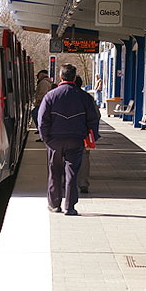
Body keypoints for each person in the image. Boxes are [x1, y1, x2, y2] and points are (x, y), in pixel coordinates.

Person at [39, 64, 100, 216]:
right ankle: (70, 207)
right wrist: (90, 136)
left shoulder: (50, 96)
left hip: (55, 141)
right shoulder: (85, 97)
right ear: (74, 77)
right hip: (76, 140)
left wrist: (46, 139)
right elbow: (93, 120)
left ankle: (54, 204)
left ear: (60, 77)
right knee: (72, 173)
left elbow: (42, 120)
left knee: (55, 172)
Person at [74, 75, 93, 194]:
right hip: (82, 134)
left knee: (65, 158)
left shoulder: (56, 95)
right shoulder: (87, 97)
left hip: (62, 135)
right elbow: (96, 116)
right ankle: (83, 184)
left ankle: (66, 182)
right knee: (84, 158)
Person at [32, 70, 53, 141]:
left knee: (37, 116)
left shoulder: (43, 83)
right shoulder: (47, 82)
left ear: (42, 74)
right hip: (43, 104)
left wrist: (38, 100)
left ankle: (42, 135)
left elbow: (42, 93)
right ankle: (42, 133)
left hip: (41, 104)